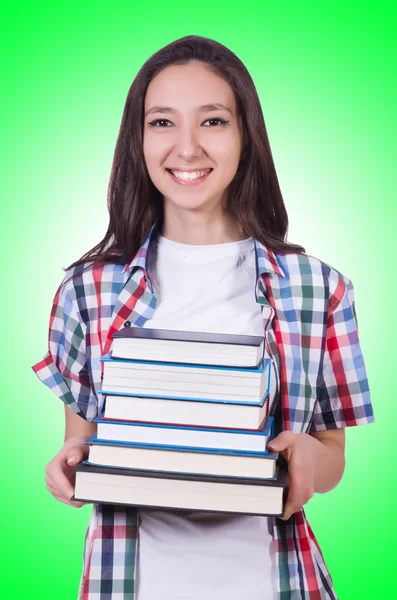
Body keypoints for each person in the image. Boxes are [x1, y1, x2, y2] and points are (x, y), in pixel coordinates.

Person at [32, 35, 374, 600]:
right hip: (131, 582)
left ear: (246, 136)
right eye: (162, 122)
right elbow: (85, 445)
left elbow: (332, 459)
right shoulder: (86, 290)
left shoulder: (318, 289)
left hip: (274, 581)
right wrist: (70, 466)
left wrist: (305, 458)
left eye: (212, 122)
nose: (186, 148)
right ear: (138, 139)